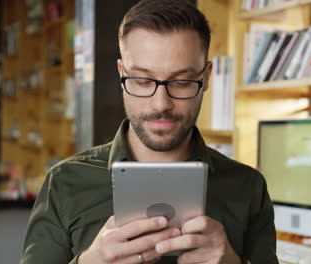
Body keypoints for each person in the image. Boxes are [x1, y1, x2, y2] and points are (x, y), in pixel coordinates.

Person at [20, 0, 278, 263]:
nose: (161, 104)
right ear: (122, 74)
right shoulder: (64, 182)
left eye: (181, 82)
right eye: (142, 81)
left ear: (207, 77)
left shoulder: (249, 188)